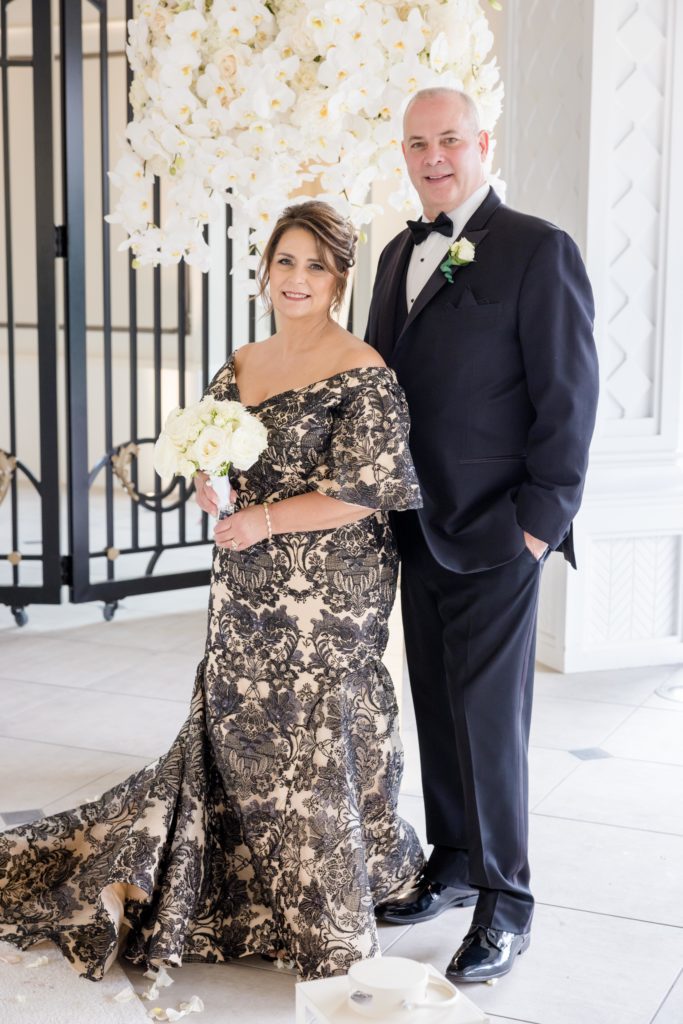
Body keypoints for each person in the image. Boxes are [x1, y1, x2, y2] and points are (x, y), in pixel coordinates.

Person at [0, 200, 424, 980]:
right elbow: (215, 455)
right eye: (285, 262)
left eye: (315, 266)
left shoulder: (364, 370)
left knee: (313, 730)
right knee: (238, 719)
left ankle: (318, 903)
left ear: (338, 278)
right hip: (246, 576)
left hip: (330, 586)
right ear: (265, 270)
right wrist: (209, 478)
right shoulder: (241, 361)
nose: (296, 279)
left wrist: (261, 521)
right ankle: (234, 878)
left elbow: (366, 491)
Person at [367, 87, 599, 983]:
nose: (434, 157)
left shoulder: (538, 249)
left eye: (450, 140)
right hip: (415, 529)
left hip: (501, 530)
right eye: (418, 143)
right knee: (437, 704)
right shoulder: (395, 254)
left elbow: (568, 400)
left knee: (491, 724)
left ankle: (508, 901)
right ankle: (456, 861)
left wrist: (537, 527)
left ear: (482, 143)